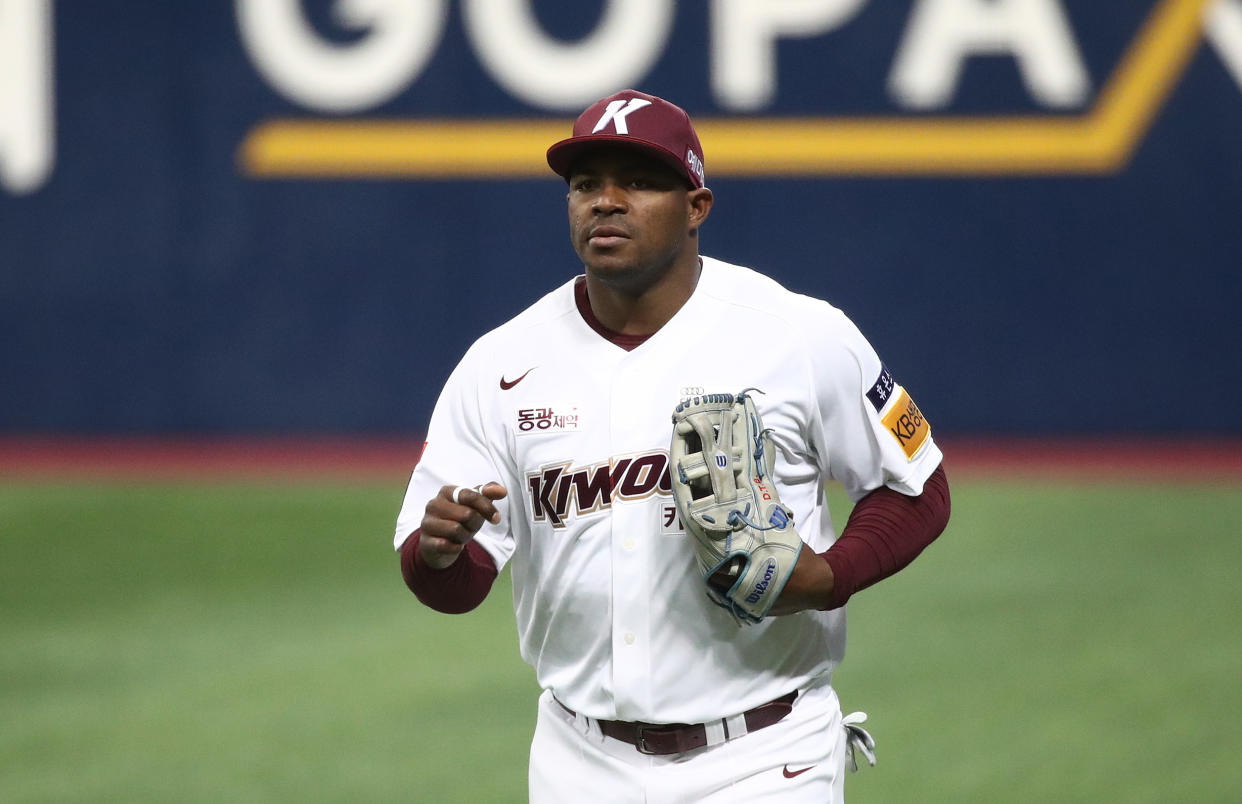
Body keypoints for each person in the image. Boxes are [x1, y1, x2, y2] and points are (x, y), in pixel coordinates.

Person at [394, 89, 951, 802]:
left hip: (765, 752)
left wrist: (829, 575)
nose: (607, 201)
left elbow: (917, 486)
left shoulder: (798, 335)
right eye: (586, 183)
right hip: (578, 759)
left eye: (640, 181)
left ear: (697, 207)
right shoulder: (500, 365)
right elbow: (456, 581)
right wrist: (438, 552)